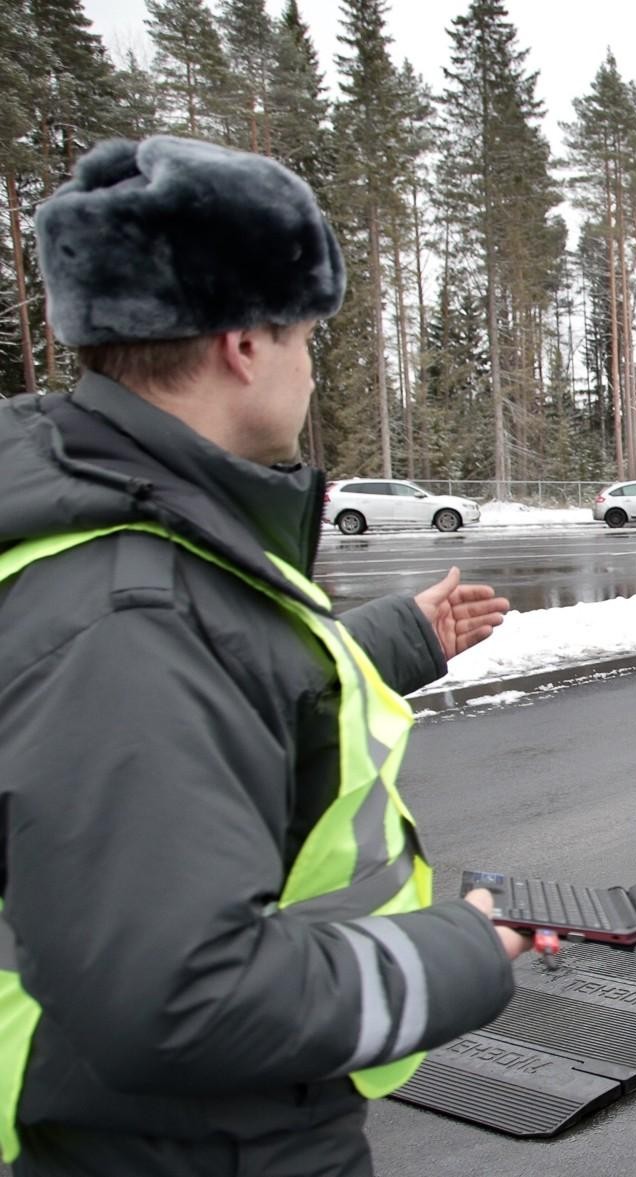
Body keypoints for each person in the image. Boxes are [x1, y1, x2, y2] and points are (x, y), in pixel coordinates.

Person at [0, 136, 525, 1176]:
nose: (307, 366)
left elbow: (214, 688)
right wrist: (465, 950)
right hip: (182, 1146)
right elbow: (183, 999)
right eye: (305, 336)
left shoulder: (135, 530)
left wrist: (392, 639)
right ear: (245, 343)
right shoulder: (127, 605)